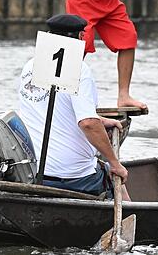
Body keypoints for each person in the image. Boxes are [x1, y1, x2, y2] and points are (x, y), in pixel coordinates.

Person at [18, 13, 128, 197]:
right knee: (118, 180)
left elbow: (52, 108)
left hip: (35, 171)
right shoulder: (79, 69)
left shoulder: (30, 66)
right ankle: (137, 219)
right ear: (80, 38)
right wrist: (115, 163)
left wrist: (98, 119)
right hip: (75, 177)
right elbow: (88, 124)